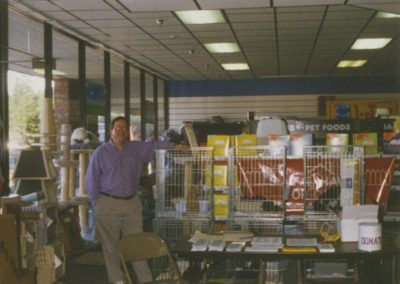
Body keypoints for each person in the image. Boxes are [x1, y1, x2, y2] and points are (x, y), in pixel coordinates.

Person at [85, 116, 177, 284]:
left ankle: (145, 280)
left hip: (132, 204)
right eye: (117, 128)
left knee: (137, 245)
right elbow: (91, 181)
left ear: (128, 132)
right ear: (111, 131)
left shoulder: (135, 148)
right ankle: (118, 281)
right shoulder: (101, 152)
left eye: (124, 128)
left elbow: (154, 145)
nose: (121, 131)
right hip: (107, 204)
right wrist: (97, 204)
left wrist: (175, 146)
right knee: (111, 247)